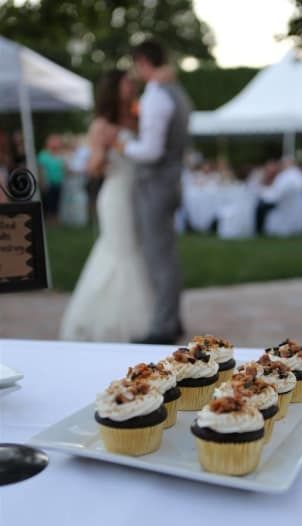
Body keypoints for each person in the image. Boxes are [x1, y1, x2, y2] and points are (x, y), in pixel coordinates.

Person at [60, 70, 154, 342]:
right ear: (114, 88)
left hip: (139, 196)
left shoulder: (137, 119)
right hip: (115, 195)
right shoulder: (101, 124)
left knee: (136, 249)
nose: (132, 86)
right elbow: (92, 169)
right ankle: (109, 323)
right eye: (127, 82)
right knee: (119, 250)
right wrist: (106, 147)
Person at [109, 38, 192, 344]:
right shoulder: (175, 91)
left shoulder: (157, 94)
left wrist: (123, 144)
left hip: (156, 184)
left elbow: (152, 150)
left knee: (160, 257)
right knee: (165, 253)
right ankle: (173, 320)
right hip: (169, 181)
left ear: (143, 61)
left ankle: (163, 327)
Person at [37, 134, 65, 223]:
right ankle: (48, 220)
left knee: (56, 202)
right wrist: (42, 182)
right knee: (48, 202)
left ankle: (54, 220)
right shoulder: (43, 155)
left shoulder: (60, 155)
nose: (56, 143)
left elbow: (64, 168)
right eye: (54, 141)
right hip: (48, 183)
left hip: (58, 182)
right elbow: (41, 170)